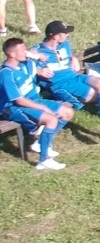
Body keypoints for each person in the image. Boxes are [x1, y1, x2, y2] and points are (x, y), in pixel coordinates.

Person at [32, 20, 100, 145]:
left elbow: (68, 57)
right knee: (97, 95)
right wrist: (38, 71)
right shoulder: (37, 51)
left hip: (75, 77)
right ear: (55, 36)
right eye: (65, 32)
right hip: (61, 85)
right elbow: (21, 68)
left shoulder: (64, 44)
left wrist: (74, 59)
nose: (68, 35)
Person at [2, 36, 71, 168]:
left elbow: (44, 58)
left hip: (33, 101)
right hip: (13, 108)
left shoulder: (26, 63)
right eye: (22, 50)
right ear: (12, 54)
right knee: (51, 120)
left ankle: (40, 143)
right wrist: (42, 107)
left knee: (67, 112)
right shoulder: (6, 74)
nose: (26, 52)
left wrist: (34, 55)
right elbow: (18, 100)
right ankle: (43, 161)